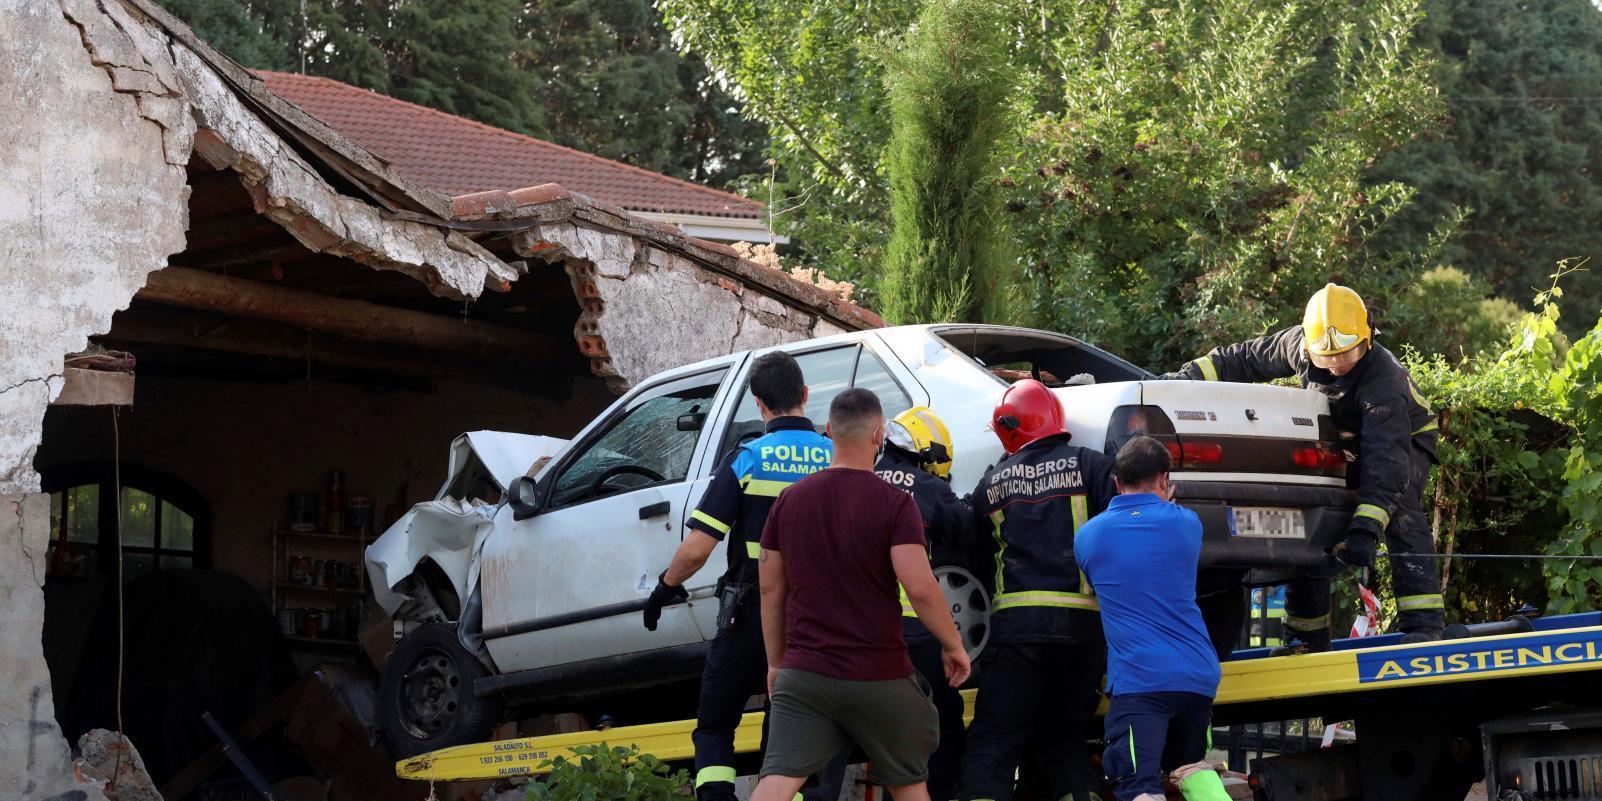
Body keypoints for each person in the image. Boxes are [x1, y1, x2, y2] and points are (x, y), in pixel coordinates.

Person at [1161, 283, 1442, 648]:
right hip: (1345, 441)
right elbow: (1240, 358)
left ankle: (1422, 625)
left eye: (1348, 352)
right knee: (1309, 516)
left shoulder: (1382, 381)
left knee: (1401, 510)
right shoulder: (1296, 343)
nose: (1339, 363)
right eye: (1327, 358)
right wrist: (1183, 381)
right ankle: (1306, 635)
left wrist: (1365, 531)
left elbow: (1385, 463)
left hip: (1407, 439)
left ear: (1369, 336)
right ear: (1308, 346)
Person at [751, 388, 973, 801]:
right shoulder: (894, 503)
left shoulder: (788, 501)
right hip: (879, 674)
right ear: (879, 436)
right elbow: (920, 587)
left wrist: (777, 664)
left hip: (806, 673)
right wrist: (953, 645)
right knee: (909, 784)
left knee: (776, 783)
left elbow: (770, 589)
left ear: (828, 430)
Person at [641, 351, 834, 801]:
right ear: (805, 395)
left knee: (714, 726)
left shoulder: (747, 458)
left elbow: (697, 549)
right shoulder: (835, 454)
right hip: (816, 617)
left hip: (748, 613)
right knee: (789, 731)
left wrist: (664, 588)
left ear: (758, 404)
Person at [958, 379, 1118, 801]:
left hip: (1016, 633)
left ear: (1008, 431)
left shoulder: (990, 486)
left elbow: (974, 556)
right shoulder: (1092, 467)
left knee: (994, 740)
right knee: (1063, 743)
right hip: (1083, 630)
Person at [1075, 437, 1231, 801]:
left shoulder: (1088, 537)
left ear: (1116, 481)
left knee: (1137, 786)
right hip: (1197, 677)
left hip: (1141, 682)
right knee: (1191, 767)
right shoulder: (1186, 524)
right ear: (1165, 479)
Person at [875, 406, 976, 801]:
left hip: (858, 631)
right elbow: (967, 529)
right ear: (929, 455)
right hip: (911, 632)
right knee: (943, 723)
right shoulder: (928, 488)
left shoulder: (862, 477)